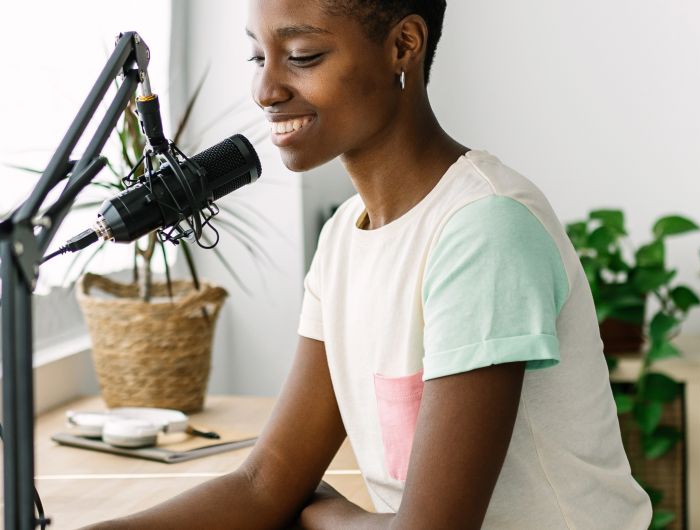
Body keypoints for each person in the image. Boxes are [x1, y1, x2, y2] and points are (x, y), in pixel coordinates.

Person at [86, 0, 652, 528]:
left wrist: (320, 512)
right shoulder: (343, 237)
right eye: (258, 56)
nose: (265, 89)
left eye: (303, 57)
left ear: (403, 44)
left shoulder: (484, 229)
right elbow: (267, 481)